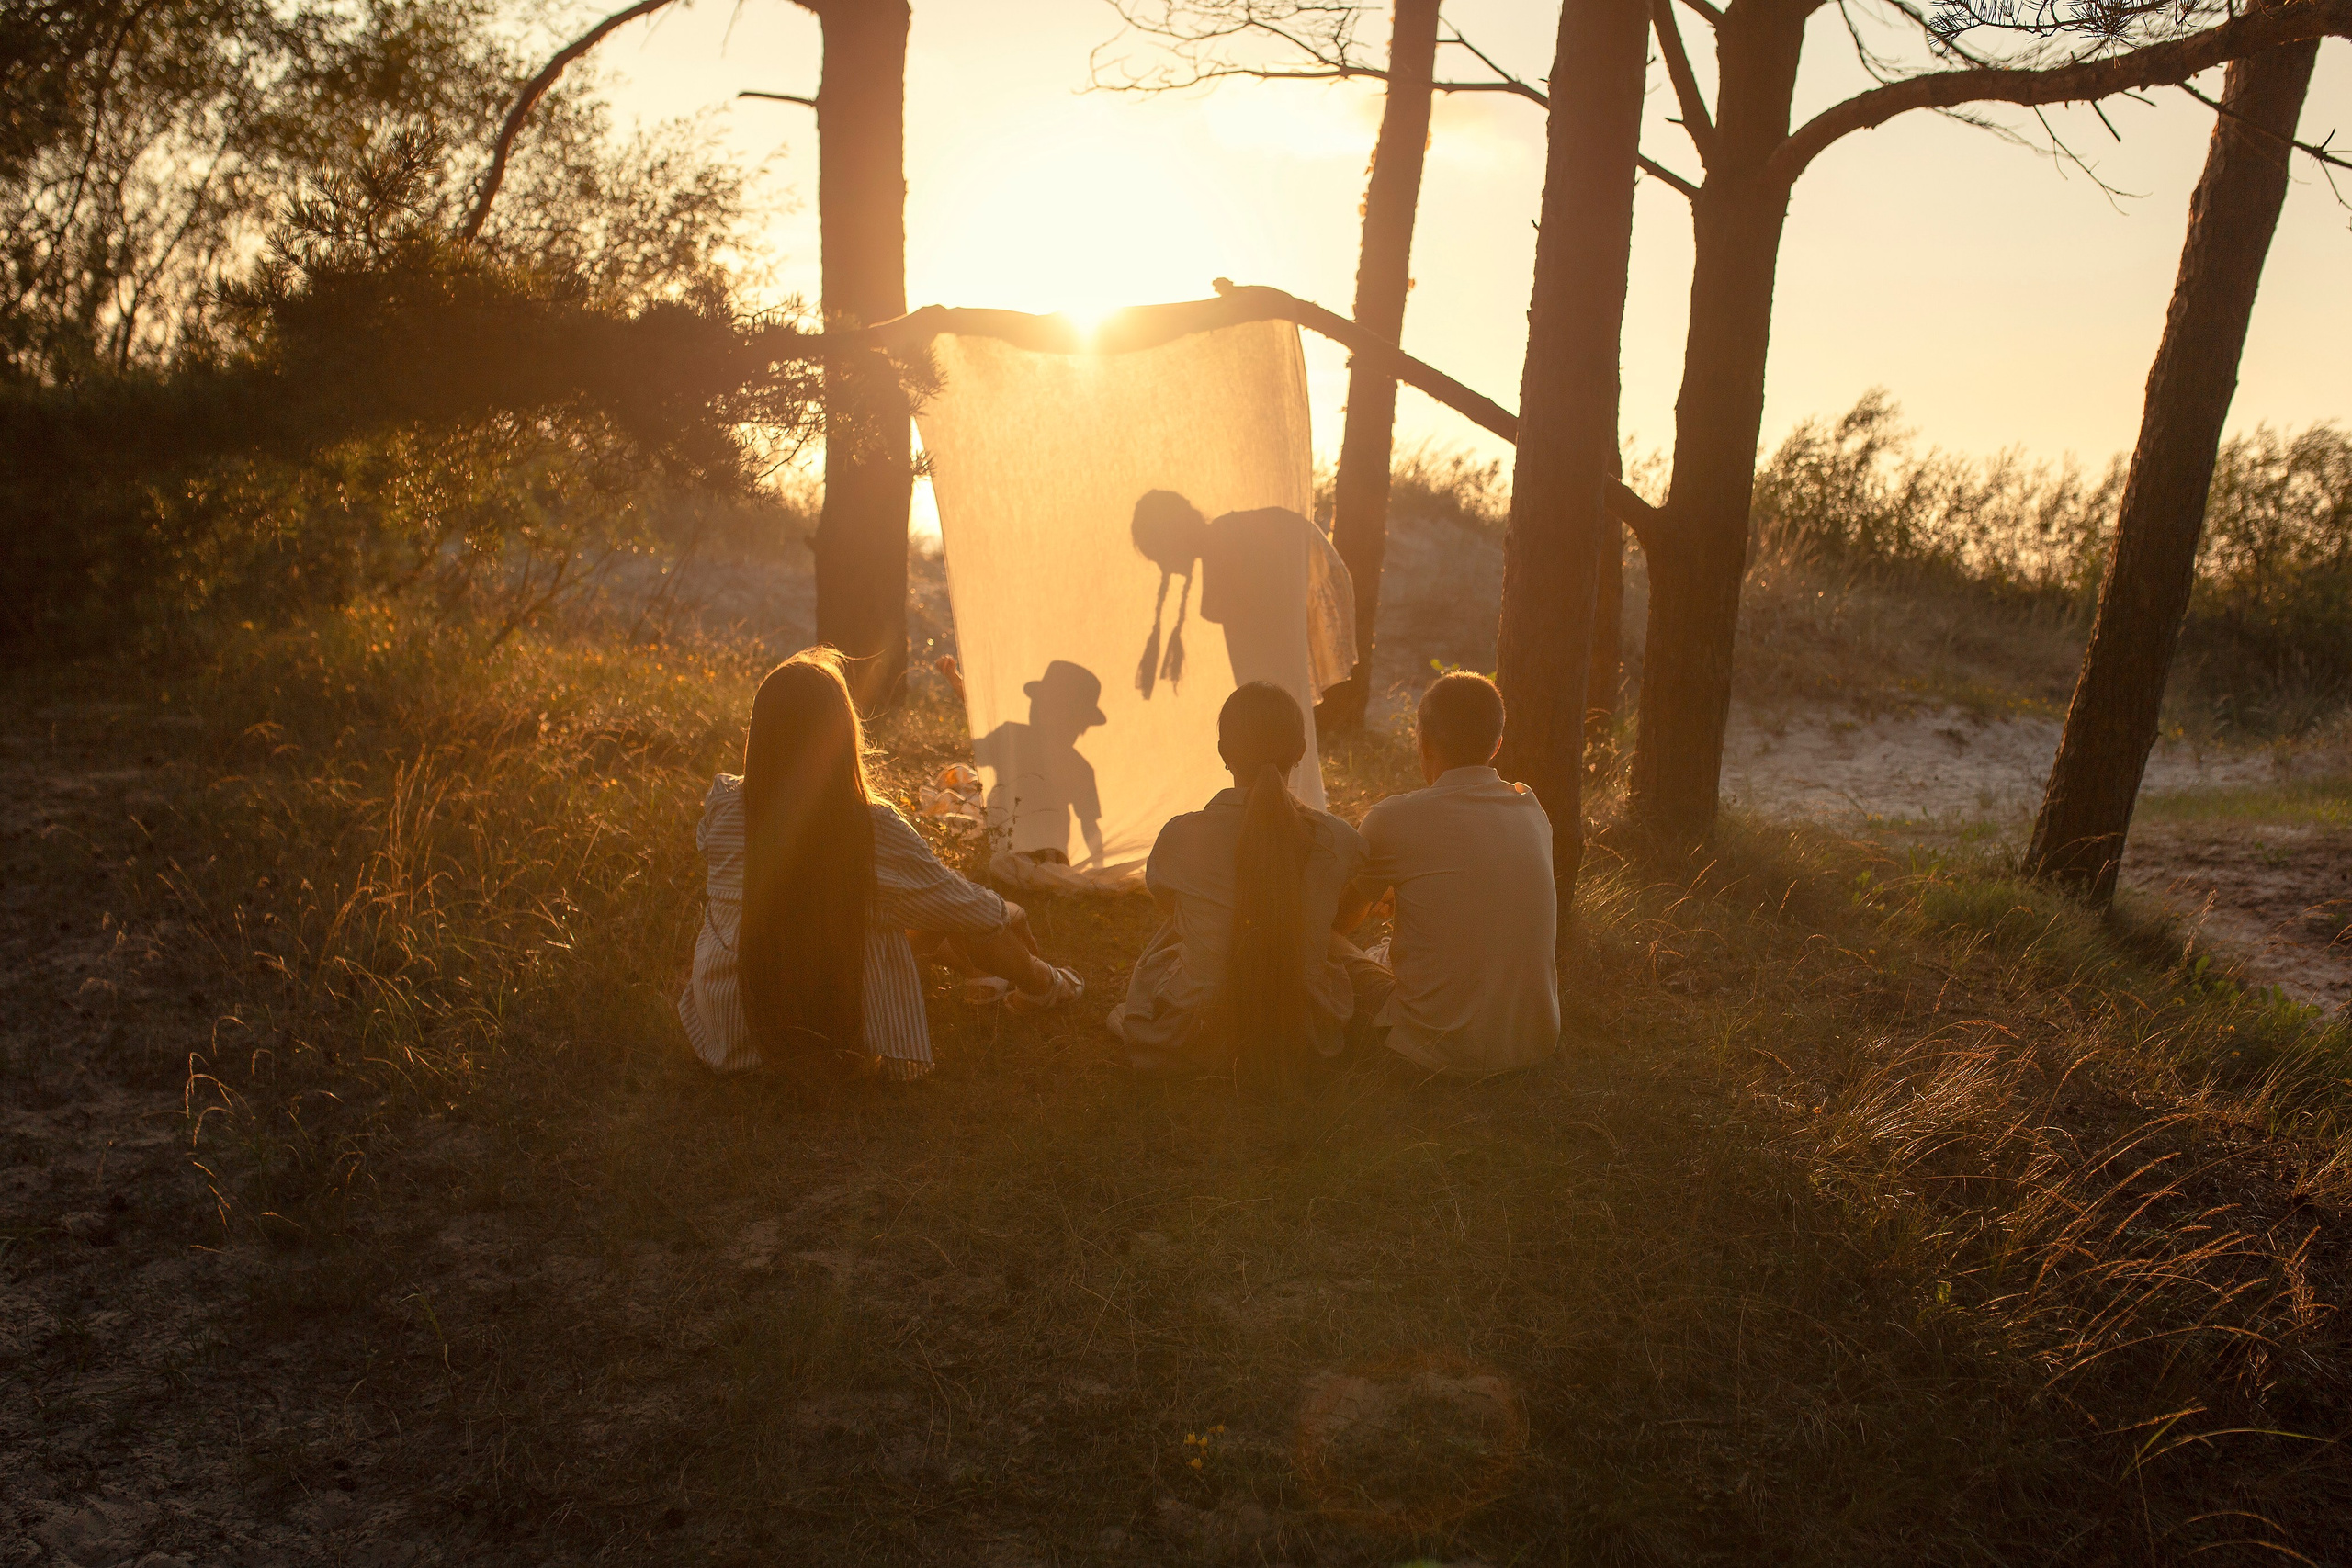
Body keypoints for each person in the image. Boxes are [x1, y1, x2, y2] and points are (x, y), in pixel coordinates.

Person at [679, 648, 1082, 1081]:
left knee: (899, 911)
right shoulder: (870, 828)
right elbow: (963, 906)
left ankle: (980, 975)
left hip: (730, 1035)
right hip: (824, 1034)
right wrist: (1008, 910)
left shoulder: (725, 807)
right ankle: (1045, 987)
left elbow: (720, 857)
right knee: (948, 910)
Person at [1113, 681, 1372, 1081]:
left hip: (1192, 1035)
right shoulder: (1339, 840)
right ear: (1300, 752)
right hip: (1304, 1035)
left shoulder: (1182, 837)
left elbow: (1166, 904)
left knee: (1176, 927)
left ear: (1223, 754)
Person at [1341, 671, 1558, 1076]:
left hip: (1432, 1052)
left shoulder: (1394, 818)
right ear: (1496, 745)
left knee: (1320, 944)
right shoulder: (1530, 807)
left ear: (1421, 741)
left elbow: (1341, 921)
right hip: (1533, 1043)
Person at [972, 659, 1107, 867]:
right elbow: (976, 749)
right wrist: (958, 685)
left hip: (1050, 854)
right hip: (1003, 842)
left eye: (1067, 715)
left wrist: (1100, 869)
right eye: (1045, 706)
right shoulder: (1012, 738)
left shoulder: (1079, 768)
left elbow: (1090, 825)